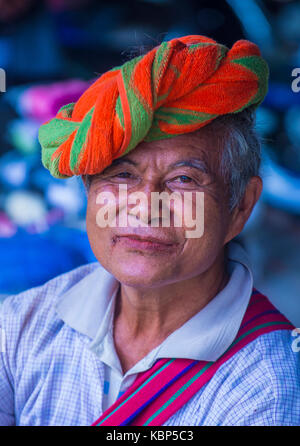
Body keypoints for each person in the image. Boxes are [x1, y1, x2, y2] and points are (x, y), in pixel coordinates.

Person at [1, 35, 299, 426]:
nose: (146, 206)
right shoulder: (22, 322)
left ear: (240, 206)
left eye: (184, 179)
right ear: (87, 193)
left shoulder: (268, 388)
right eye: (122, 175)